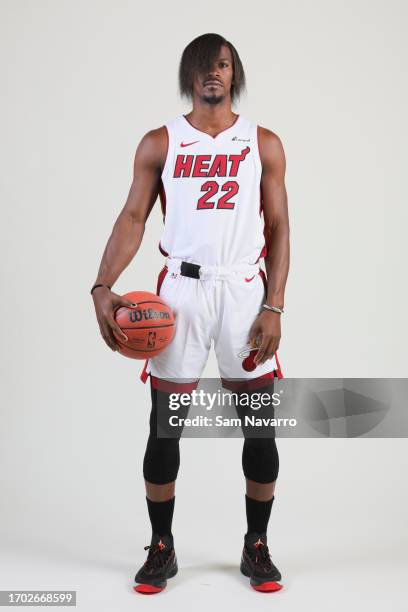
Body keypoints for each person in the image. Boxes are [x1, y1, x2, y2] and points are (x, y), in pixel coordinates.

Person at [91, 32, 290, 594]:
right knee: (165, 426)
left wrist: (274, 304)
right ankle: (162, 546)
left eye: (223, 65)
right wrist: (102, 286)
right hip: (181, 291)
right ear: (189, 75)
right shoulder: (161, 142)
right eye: (203, 65)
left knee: (260, 424)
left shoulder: (264, 142)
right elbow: (133, 217)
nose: (213, 73)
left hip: (244, 290)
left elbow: (278, 227)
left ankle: (256, 546)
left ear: (234, 74)